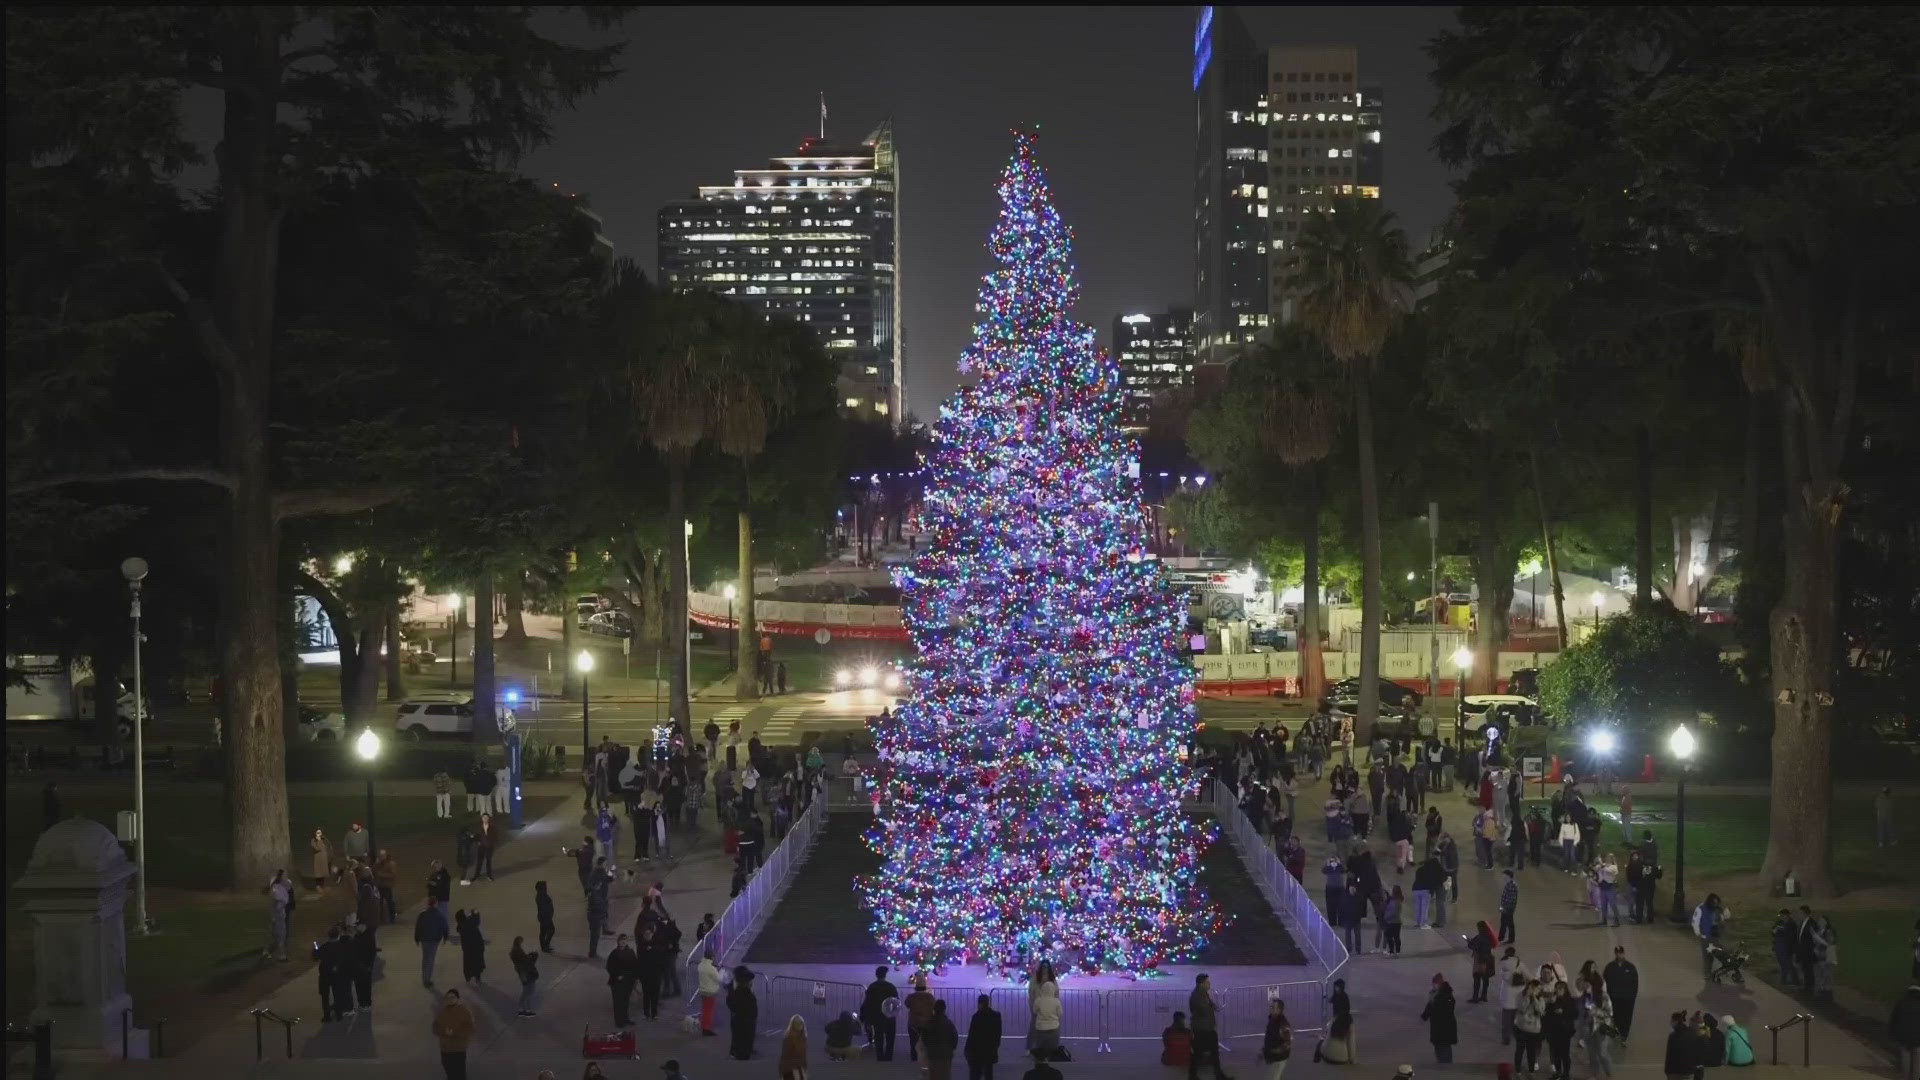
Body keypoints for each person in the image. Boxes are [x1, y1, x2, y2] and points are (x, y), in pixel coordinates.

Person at [1188, 973, 1231, 1080]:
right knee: (1199, 1053)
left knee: (1211, 1053)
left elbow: (1209, 1005)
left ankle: (1217, 1074)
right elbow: (1203, 1010)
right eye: (1207, 982)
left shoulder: (1203, 994)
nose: (1209, 984)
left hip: (1207, 1028)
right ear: (1201, 984)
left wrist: (1214, 1005)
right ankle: (1194, 1075)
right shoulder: (1196, 996)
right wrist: (1210, 1005)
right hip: (1202, 1029)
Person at [432, 988, 475, 1080]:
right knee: (448, 1068)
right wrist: (443, 1032)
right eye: (448, 998)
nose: (450, 999)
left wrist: (455, 1033)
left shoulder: (464, 1011)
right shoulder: (442, 1012)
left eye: (453, 997)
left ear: (458, 998)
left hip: (458, 1048)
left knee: (459, 1072)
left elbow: (469, 1028)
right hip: (445, 1048)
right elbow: (435, 1027)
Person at [1579, 971, 1616, 1078]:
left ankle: (1609, 1073)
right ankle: (1594, 1074)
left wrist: (1595, 1012)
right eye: (1585, 983)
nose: (1585, 985)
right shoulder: (1585, 996)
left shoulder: (1604, 997)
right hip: (1588, 1027)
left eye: (1587, 983)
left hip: (1602, 1028)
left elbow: (1609, 1013)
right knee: (1592, 1054)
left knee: (1602, 1053)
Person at [861, 964, 901, 1060]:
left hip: (877, 1017)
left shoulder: (872, 987)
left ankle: (880, 1058)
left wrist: (865, 1017)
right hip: (889, 1016)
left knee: (879, 1037)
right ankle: (888, 1058)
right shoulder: (890, 987)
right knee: (890, 1038)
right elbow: (896, 1002)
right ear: (885, 975)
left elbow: (867, 1003)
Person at [1543, 982, 1579, 1080]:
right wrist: (1550, 1003)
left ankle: (1566, 1074)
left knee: (1565, 1054)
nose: (1558, 990)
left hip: (1565, 1031)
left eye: (1560, 989)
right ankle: (1558, 1073)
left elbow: (1575, 1014)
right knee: (1555, 1054)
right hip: (1553, 1031)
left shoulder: (1570, 1000)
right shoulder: (1552, 1000)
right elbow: (1546, 1015)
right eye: (1557, 988)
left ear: (1565, 990)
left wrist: (1563, 1012)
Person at [1420, 975, 1457, 1064]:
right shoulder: (1434, 994)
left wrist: (1435, 1000)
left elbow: (1448, 1007)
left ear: (1440, 983)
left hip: (1445, 1030)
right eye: (1433, 983)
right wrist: (1425, 1015)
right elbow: (1430, 1006)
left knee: (1445, 1051)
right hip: (1437, 1029)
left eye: (1435, 983)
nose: (1433, 985)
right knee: (1438, 1049)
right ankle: (1441, 1064)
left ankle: (1447, 1069)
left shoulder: (1447, 994)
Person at [1605, 946, 1639, 1040]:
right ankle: (1616, 1032)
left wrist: (1632, 996)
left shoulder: (1630, 967)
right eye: (1617, 953)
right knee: (1616, 1016)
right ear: (1615, 953)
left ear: (1623, 953)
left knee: (1626, 1017)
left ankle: (1624, 1035)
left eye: (1620, 953)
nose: (1619, 954)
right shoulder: (1610, 967)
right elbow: (1605, 982)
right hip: (1614, 998)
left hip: (1627, 999)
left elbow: (1635, 983)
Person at [415, 896, 450, 988]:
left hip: (424, 939)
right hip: (434, 940)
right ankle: (427, 979)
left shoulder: (422, 914)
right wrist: (445, 937)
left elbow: (418, 927)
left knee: (425, 958)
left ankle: (424, 977)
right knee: (430, 959)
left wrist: (417, 938)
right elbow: (444, 926)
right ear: (436, 904)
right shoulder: (439, 915)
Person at [605, 932, 639, 1026]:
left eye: (624, 940)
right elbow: (609, 967)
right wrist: (617, 975)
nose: (623, 942)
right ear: (618, 942)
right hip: (617, 982)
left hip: (628, 981)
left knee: (625, 1001)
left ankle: (625, 1018)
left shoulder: (630, 952)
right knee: (618, 1002)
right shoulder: (614, 953)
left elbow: (635, 965)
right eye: (621, 940)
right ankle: (619, 1021)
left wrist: (635, 978)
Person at [966, 994, 1003, 1080]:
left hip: (977, 1051)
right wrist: (995, 1047)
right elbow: (998, 1034)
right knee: (988, 1073)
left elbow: (972, 1035)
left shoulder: (977, 1017)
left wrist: (968, 1049)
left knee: (975, 1074)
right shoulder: (996, 1016)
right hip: (990, 1050)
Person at [1513, 976, 1546, 1075]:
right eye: (1534, 988)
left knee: (1531, 1052)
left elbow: (1540, 1010)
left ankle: (1531, 1070)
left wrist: (1535, 998)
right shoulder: (1521, 995)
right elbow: (1521, 1009)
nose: (1536, 990)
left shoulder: (1540, 999)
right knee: (1519, 1050)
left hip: (1534, 1030)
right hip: (1521, 1028)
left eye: (1538, 989)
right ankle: (1518, 1069)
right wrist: (1527, 997)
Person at [1888, 983, 1920, 1080]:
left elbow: (1894, 1019)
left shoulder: (1901, 1002)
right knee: (1918, 1061)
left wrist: (1892, 1033)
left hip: (1903, 1036)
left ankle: (1905, 1077)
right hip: (1918, 1037)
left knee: (1905, 1058)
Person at [635, 925, 666, 1021]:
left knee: (655, 995)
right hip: (645, 975)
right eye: (646, 934)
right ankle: (646, 1013)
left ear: (652, 934)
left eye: (649, 934)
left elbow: (661, 959)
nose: (647, 935)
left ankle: (654, 1013)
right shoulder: (641, 946)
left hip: (656, 974)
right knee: (646, 995)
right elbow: (639, 961)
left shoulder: (657, 945)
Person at [728, 966, 759, 1060]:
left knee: (740, 1036)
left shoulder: (738, 991)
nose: (751, 983)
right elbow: (753, 1010)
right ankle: (741, 1053)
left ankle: (739, 1052)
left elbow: (730, 1003)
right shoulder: (746, 994)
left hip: (739, 1019)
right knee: (743, 1037)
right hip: (745, 1020)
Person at [924, 999, 961, 1080]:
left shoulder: (929, 1023)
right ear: (944, 1010)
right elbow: (954, 1037)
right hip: (946, 1055)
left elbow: (924, 1038)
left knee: (934, 1075)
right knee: (945, 1075)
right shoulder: (948, 1023)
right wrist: (953, 1048)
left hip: (933, 1054)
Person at [1029, 976, 1062, 1060]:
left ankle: (1041, 1061)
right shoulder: (1056, 1001)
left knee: (1040, 1047)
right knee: (1053, 1047)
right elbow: (1060, 1013)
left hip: (1040, 1027)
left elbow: (1035, 1011)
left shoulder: (1038, 1000)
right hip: (1053, 1027)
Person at [906, 974, 938, 1061]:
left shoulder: (911, 997)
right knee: (926, 1043)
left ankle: (914, 1058)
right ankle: (925, 1059)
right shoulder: (930, 997)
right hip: (926, 1023)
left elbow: (907, 1004)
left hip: (913, 1023)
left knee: (913, 1043)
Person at [1260, 999, 1293, 1080]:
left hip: (1278, 1059)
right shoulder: (1272, 1019)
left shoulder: (1283, 1024)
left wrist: (1275, 1051)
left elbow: (1287, 1043)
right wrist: (1265, 1049)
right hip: (1274, 1057)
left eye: (1273, 1007)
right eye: (1271, 1007)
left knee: (1273, 1077)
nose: (1270, 1008)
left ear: (1279, 1009)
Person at [264, 870, 293, 960]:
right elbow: (274, 902)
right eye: (284, 875)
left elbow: (288, 887)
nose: (286, 877)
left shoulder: (282, 886)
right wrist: (273, 915)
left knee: (277, 934)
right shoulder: (276, 889)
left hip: (280, 913)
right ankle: (281, 955)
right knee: (280, 934)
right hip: (278, 914)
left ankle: (267, 950)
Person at [1496, 950, 1523, 1046]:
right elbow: (1529, 976)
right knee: (1516, 1018)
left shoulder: (1503, 964)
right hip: (1518, 995)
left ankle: (1506, 1038)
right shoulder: (1519, 964)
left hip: (1507, 996)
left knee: (1506, 1020)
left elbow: (1501, 976)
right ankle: (1515, 1034)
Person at [585, 858, 611, 958]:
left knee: (604, 917)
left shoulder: (602, 872)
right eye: (605, 863)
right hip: (596, 912)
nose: (606, 865)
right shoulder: (595, 874)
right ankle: (592, 952)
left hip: (601, 903)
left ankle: (605, 929)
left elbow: (605, 880)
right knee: (594, 934)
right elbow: (591, 886)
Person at [1664, 1011, 1700, 1080]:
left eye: (1672, 1021)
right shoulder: (1692, 1033)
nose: (1671, 1022)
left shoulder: (1673, 1036)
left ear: (1676, 1021)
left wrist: (1667, 1071)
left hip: (1675, 1071)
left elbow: (1670, 1055)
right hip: (1689, 1070)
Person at [1467, 921, 1497, 1002]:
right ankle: (1484, 996)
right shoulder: (1490, 936)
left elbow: (1472, 946)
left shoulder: (1479, 937)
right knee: (1485, 979)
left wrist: (1469, 942)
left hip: (1480, 961)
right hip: (1488, 960)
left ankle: (1475, 997)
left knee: (1477, 979)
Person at [509, 936, 538, 1017]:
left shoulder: (517, 954)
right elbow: (523, 969)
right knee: (528, 993)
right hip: (528, 977)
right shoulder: (520, 960)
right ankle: (523, 1009)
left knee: (527, 993)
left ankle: (525, 1009)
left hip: (527, 976)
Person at [456, 908, 486, 983]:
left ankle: (468, 977)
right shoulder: (470, 922)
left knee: (467, 962)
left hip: (467, 947)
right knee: (477, 961)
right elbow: (476, 918)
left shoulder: (461, 926)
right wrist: (474, 911)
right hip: (476, 944)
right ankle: (477, 977)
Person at [698, 949, 723, 1035]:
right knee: (709, 1011)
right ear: (712, 957)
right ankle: (707, 1028)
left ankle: (704, 1026)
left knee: (704, 1010)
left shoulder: (701, 965)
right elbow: (718, 978)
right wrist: (721, 972)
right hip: (711, 991)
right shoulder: (711, 968)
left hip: (703, 990)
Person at [778, 1014, 808, 1080]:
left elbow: (784, 1057)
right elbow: (803, 1057)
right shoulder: (801, 1038)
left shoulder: (789, 1038)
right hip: (796, 1069)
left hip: (790, 1069)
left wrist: (781, 1070)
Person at [1498, 868, 1520, 944]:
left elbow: (1510, 899)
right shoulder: (1508, 884)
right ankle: (1501, 937)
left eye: (1504, 876)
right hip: (1505, 907)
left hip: (1508, 908)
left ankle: (1510, 938)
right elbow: (1504, 897)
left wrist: (1504, 907)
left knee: (1509, 923)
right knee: (1503, 922)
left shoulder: (1512, 885)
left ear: (1508, 876)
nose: (1503, 877)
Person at [1381, 886, 1404, 955]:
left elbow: (1393, 912)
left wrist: (1386, 917)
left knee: (1389, 935)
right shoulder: (1397, 900)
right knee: (1396, 936)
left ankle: (1393, 950)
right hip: (1397, 922)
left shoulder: (1395, 901)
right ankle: (1396, 950)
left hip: (1392, 922)